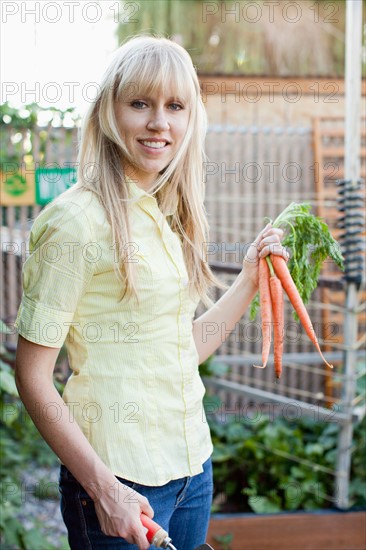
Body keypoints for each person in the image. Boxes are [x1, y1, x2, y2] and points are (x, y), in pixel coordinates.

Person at [14, 35, 287, 550]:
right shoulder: (74, 222)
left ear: (190, 119)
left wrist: (251, 277)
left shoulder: (165, 214)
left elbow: (181, 350)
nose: (159, 121)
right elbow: (32, 377)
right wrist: (105, 490)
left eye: (174, 106)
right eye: (140, 103)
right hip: (120, 482)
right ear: (110, 112)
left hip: (192, 471)